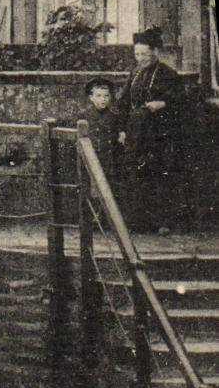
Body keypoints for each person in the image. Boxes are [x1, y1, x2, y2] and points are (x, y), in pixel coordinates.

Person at [118, 27, 181, 233]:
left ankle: (163, 221)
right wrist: (122, 130)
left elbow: (181, 102)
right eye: (137, 54)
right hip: (136, 131)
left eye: (144, 54)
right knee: (136, 172)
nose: (141, 58)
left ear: (155, 52)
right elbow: (124, 101)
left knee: (158, 173)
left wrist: (163, 104)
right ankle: (138, 221)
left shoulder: (168, 74)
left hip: (159, 132)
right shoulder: (135, 73)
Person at [78, 76, 124, 187]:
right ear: (91, 97)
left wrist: (122, 134)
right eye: (98, 96)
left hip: (110, 163)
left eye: (106, 96)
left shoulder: (114, 117)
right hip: (93, 160)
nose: (103, 99)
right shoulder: (84, 116)